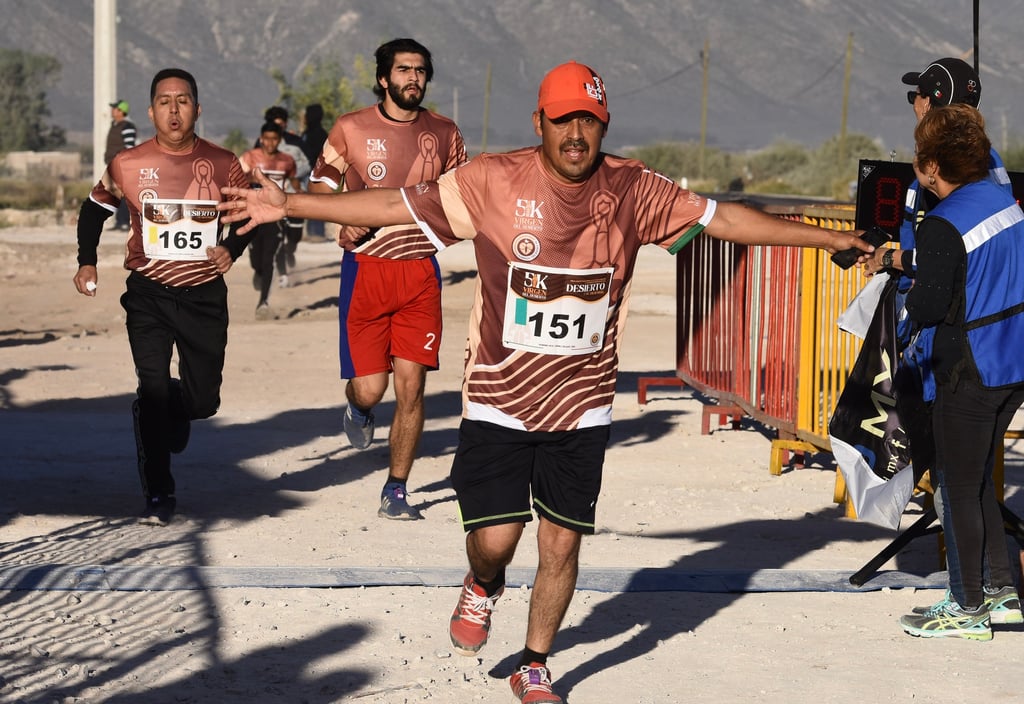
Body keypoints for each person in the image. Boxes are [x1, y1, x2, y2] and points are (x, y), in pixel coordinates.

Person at [219, 60, 874, 702]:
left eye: (589, 122)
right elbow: (397, 204)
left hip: (582, 409)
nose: (576, 136)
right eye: (563, 121)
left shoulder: (634, 189)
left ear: (605, 124)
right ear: (540, 121)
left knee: (560, 543)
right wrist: (294, 202)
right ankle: (483, 582)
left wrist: (826, 241)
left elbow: (724, 220)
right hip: (500, 401)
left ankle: (534, 665)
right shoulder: (492, 181)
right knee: (496, 542)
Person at [73, 68, 253, 526]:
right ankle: (159, 492)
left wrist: (231, 247)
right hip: (149, 293)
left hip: (204, 295)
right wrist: (87, 259)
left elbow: (252, 214)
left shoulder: (224, 163)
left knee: (202, 403)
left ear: (197, 108)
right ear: (151, 110)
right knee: (151, 390)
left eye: (184, 100)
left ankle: (176, 403)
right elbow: (95, 208)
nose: (174, 110)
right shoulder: (127, 164)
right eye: (165, 101)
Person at [308, 37, 468, 521]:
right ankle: (357, 409)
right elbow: (319, 185)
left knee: (412, 387)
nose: (412, 78)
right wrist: (343, 219)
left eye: (420, 70)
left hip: (420, 272)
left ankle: (396, 490)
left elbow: (464, 197)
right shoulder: (351, 128)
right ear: (384, 78)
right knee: (372, 389)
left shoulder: (445, 133)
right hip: (366, 269)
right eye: (403, 70)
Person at [893, 104, 1024, 641]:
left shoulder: (944, 222)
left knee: (955, 486)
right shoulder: (1003, 201)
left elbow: (926, 304)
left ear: (930, 166)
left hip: (968, 367)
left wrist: (902, 286)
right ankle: (1001, 590)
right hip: (1012, 363)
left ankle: (966, 606)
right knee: (976, 484)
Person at [865, 58, 1011, 289]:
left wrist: (888, 257)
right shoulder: (989, 157)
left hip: (942, 306)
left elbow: (944, 254)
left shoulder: (949, 170)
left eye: (916, 96)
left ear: (927, 105)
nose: (914, 105)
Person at [239, 120, 301, 319]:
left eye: (274, 139)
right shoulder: (250, 157)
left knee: (269, 259)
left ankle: (263, 302)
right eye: (267, 139)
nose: (270, 143)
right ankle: (257, 272)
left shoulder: (287, 160)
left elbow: (293, 181)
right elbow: (237, 178)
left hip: (275, 216)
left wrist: (301, 196)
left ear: (279, 140)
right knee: (256, 260)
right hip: (253, 215)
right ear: (261, 139)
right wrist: (252, 180)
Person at [260, 105, 310, 286]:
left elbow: (308, 163)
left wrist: (293, 173)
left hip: (295, 195)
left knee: (294, 235)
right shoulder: (261, 143)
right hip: (272, 199)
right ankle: (283, 274)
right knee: (277, 236)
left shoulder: (296, 142)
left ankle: (291, 251)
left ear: (286, 124)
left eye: (280, 125)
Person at [104, 99, 137, 230]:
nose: (112, 111)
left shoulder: (127, 126)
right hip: (112, 163)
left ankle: (125, 221)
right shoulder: (115, 125)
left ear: (121, 112)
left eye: (115, 109)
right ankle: (119, 221)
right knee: (116, 194)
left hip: (122, 165)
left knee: (124, 194)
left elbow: (130, 147)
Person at [300, 103, 329, 241]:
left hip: (315, 173)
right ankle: (311, 231)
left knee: (316, 202)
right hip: (305, 173)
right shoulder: (307, 133)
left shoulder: (318, 134)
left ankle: (317, 232)